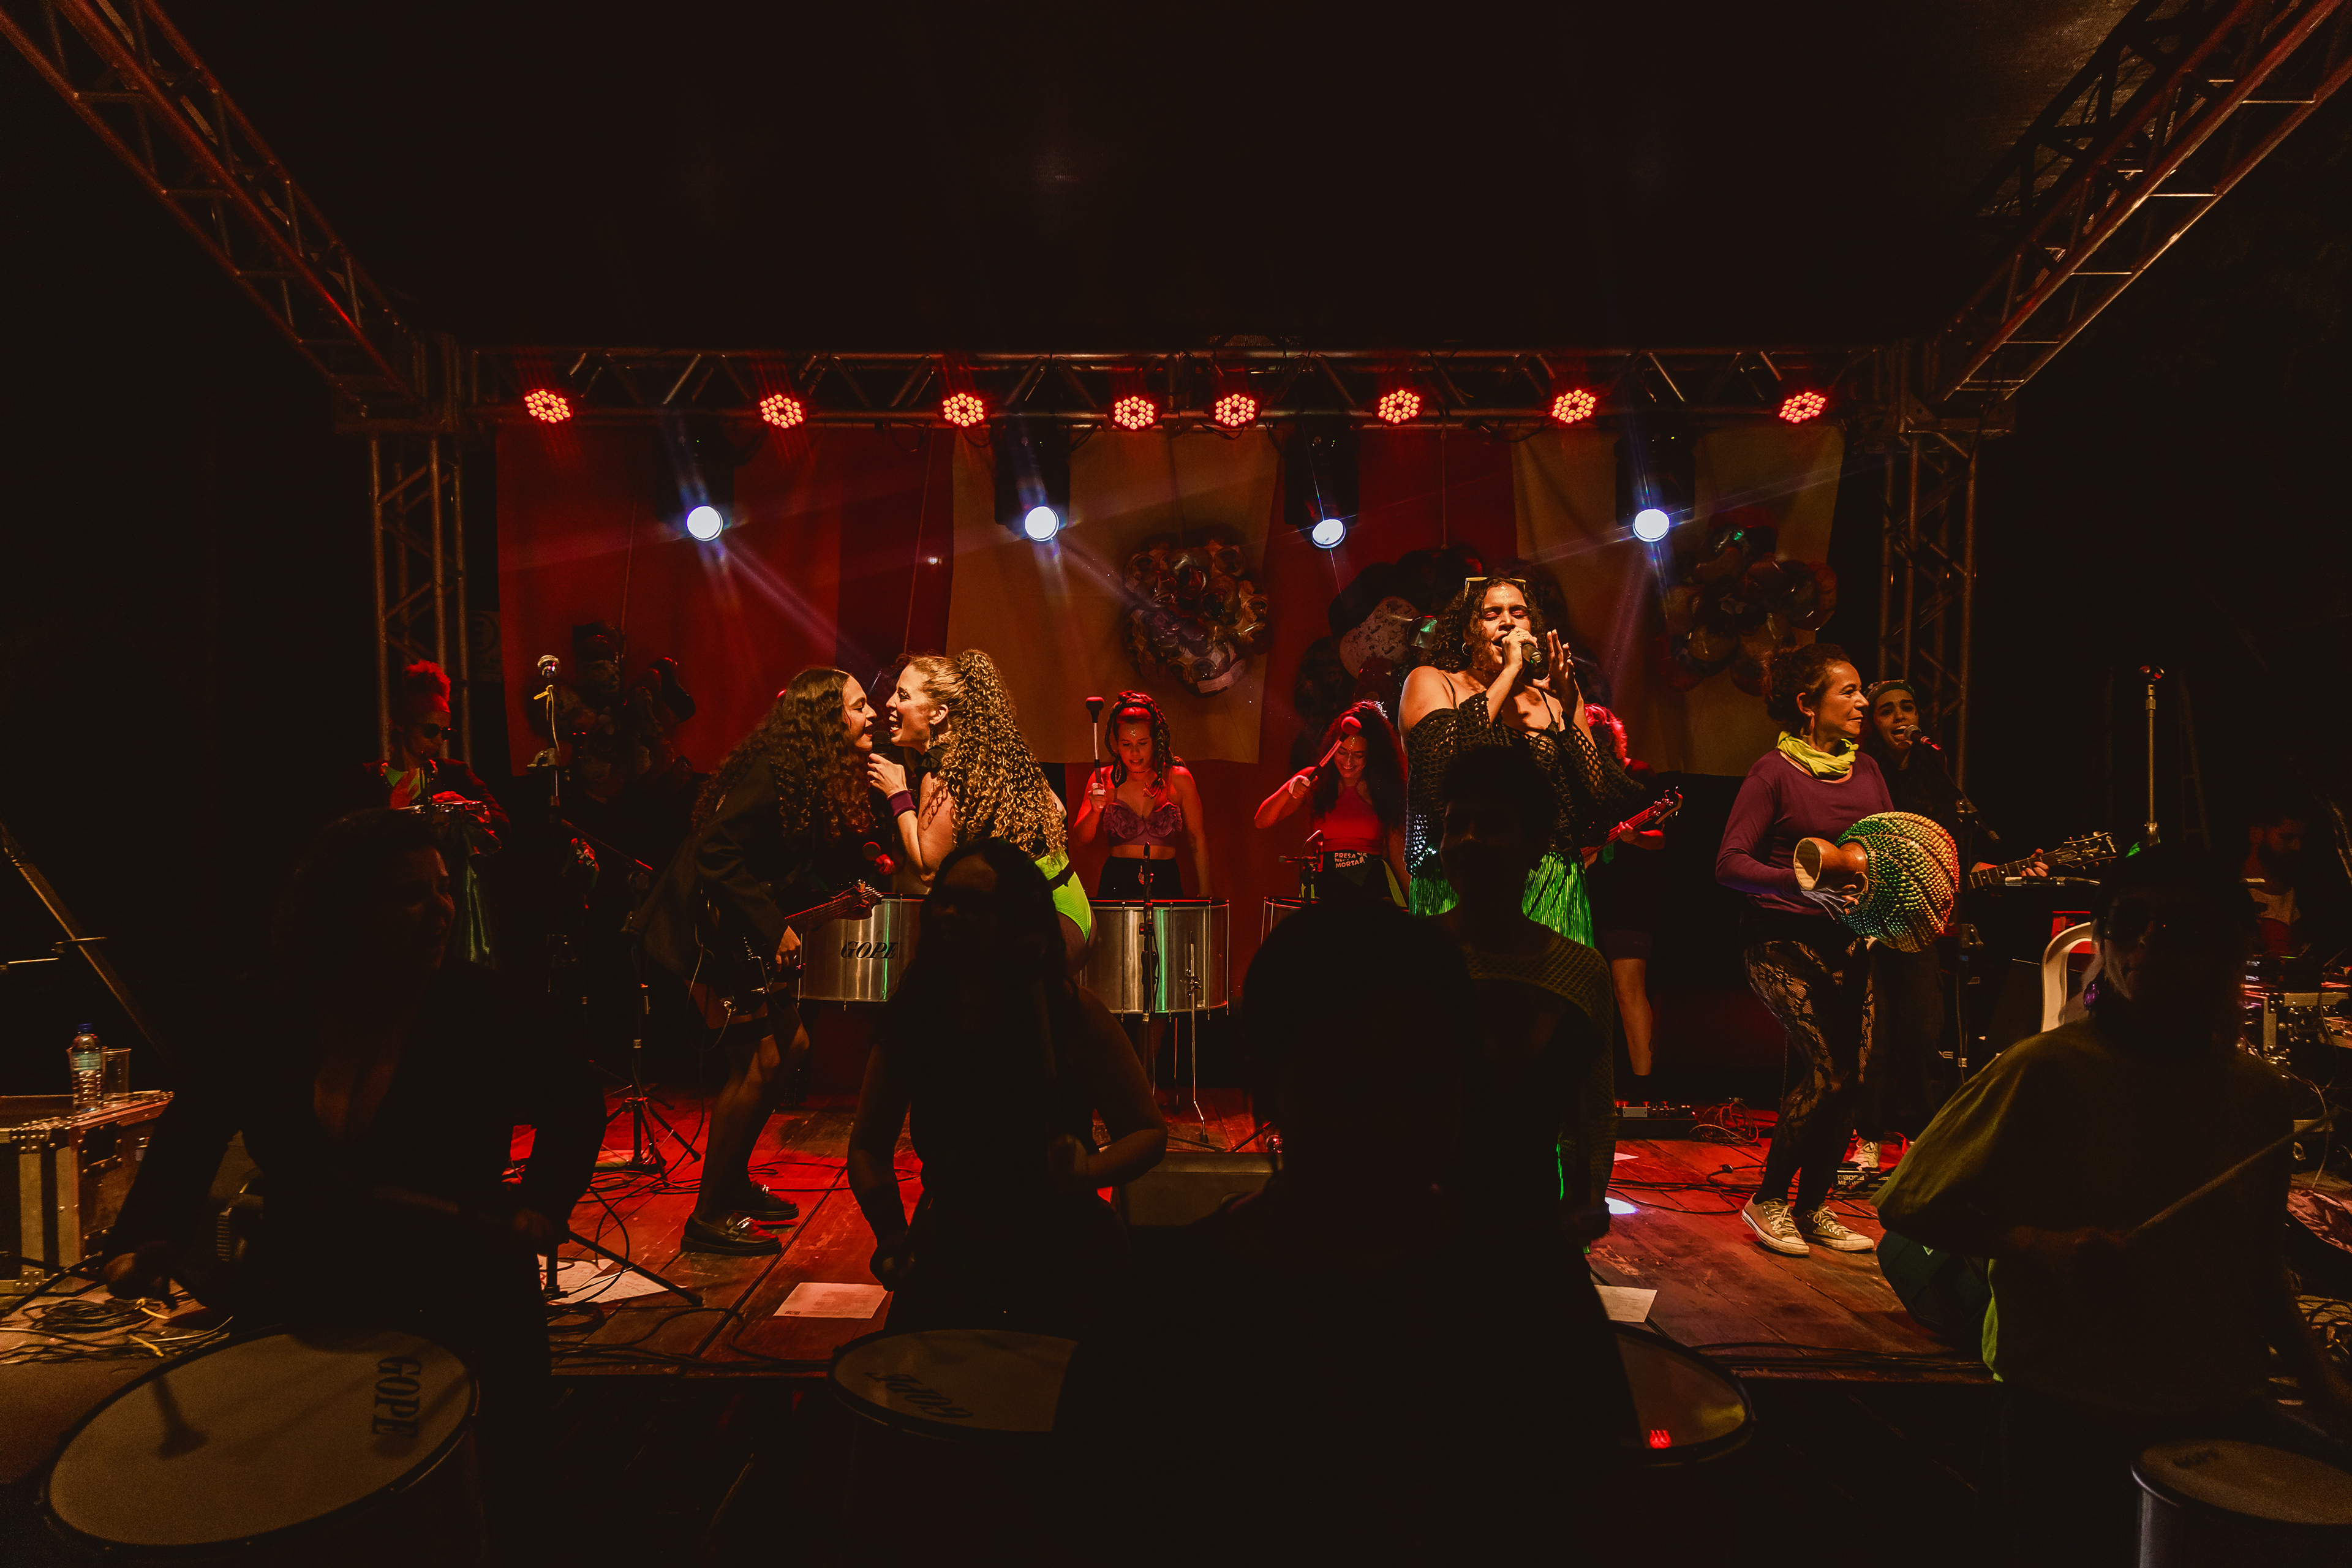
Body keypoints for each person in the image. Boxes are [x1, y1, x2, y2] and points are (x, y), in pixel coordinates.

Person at [1052, 900, 1635, 1562]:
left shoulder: (1168, 1310)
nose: (1390, 1128)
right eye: (1349, 1091)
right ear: (1267, 1086)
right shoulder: (1525, 1285)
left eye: (1424, 1087)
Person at [102, 809, 602, 1561]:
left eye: (444, 890)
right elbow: (191, 1130)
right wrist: (149, 1234)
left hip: (457, 1290)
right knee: (301, 1494)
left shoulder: (486, 1007)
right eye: (409, 895)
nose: (440, 910)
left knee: (489, 1505)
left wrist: (541, 1203)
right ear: (345, 909)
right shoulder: (271, 1013)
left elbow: (575, 1102)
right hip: (311, 1286)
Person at [1876, 845, 2352, 1567]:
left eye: (2181, 927)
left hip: (2215, 1410)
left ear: (2227, 953)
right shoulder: (2043, 1071)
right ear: (2103, 940)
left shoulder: (2257, 1096)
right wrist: (2040, 1244)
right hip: (2066, 1415)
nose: (2149, 939)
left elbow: (2260, 1272)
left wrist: (2324, 1392)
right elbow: (1908, 1204)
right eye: (2131, 920)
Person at [845, 840, 1164, 1337]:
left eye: (972, 905)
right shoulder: (916, 1014)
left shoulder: (1071, 1014)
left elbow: (1147, 1132)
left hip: (1065, 1247)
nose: (950, 914)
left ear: (1017, 921)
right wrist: (890, 1232)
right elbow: (868, 1146)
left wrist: (1089, 1172)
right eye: (944, 899)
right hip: (952, 1243)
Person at [629, 668, 885, 1256]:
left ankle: (732, 1182)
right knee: (756, 1062)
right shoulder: (774, 770)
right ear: (825, 717)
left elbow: (770, 861)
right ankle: (708, 1214)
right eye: (857, 705)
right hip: (701, 930)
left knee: (791, 1047)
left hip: (734, 928)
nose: (871, 713)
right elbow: (716, 851)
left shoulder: (800, 770)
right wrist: (774, 928)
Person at [1714, 642, 1890, 1257]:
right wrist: (1800, 883)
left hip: (1848, 941)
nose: (1863, 701)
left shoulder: (1868, 771)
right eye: (1850, 691)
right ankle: (1768, 1201)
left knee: (1853, 1080)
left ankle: (1813, 1207)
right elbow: (1729, 863)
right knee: (1829, 1071)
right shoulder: (1773, 772)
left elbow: (1884, 851)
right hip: (1779, 938)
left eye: (1862, 690)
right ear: (1807, 704)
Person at [1428, 746, 1616, 1245]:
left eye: (1492, 825)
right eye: (1455, 825)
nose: (1468, 841)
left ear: (1536, 846)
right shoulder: (1412, 956)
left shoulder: (1581, 971)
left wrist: (1585, 1196)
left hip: (1534, 1231)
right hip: (1423, 1232)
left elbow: (1594, 1112)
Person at [1400, 575, 1642, 946]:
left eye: (1518, 613)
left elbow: (1598, 791)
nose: (1508, 622)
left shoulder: (1547, 700)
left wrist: (1572, 699)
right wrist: (1511, 671)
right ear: (1467, 633)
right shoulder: (1433, 681)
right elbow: (1444, 762)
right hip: (1462, 870)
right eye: (1491, 614)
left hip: (1549, 879)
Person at [868, 649, 1091, 971]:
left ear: (938, 713)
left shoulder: (944, 765)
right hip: (1072, 907)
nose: (890, 703)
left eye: (903, 695)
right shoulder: (988, 754)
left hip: (1047, 920)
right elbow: (1057, 810)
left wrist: (897, 794)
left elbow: (930, 872)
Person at [353, 660, 507, 965]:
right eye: (431, 730)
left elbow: (502, 823)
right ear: (399, 725)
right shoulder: (364, 780)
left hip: (444, 909)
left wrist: (461, 808)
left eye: (445, 733)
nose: (439, 741)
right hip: (388, 907)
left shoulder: (454, 775)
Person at [1579, 703, 1666, 1077]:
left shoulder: (1640, 774)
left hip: (1630, 900)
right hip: (1583, 895)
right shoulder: (1578, 780)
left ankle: (1644, 1083)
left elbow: (1660, 839)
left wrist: (1636, 838)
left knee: (1628, 989)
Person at [1253, 698, 1408, 905]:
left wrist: (1416, 910)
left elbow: (1398, 853)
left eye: (1358, 755)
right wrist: (1289, 789)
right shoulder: (1313, 779)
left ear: (1372, 755)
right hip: (1324, 887)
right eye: (1342, 752)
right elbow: (1261, 821)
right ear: (1332, 748)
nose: (1348, 762)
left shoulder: (1382, 788)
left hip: (1373, 888)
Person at [1071, 689, 1212, 901]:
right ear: (1116, 744)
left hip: (1166, 881)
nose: (1135, 753)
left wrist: (1206, 891)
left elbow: (1196, 839)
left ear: (1155, 741)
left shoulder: (1178, 778)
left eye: (1142, 744)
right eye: (1126, 745)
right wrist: (1094, 811)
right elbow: (1081, 839)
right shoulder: (1104, 779)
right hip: (1117, 882)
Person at [2244, 793, 2311, 957]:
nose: (2297, 847)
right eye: (2287, 837)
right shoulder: (2229, 894)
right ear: (2256, 834)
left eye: (2301, 839)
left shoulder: (2308, 896)